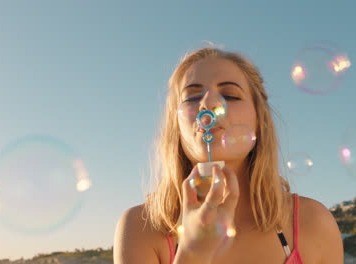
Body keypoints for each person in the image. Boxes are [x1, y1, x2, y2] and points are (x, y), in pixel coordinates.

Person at [114, 46, 344, 264]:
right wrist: (192, 254)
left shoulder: (313, 222)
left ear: (259, 120)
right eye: (192, 97)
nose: (208, 104)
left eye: (231, 95)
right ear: (176, 126)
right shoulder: (141, 227)